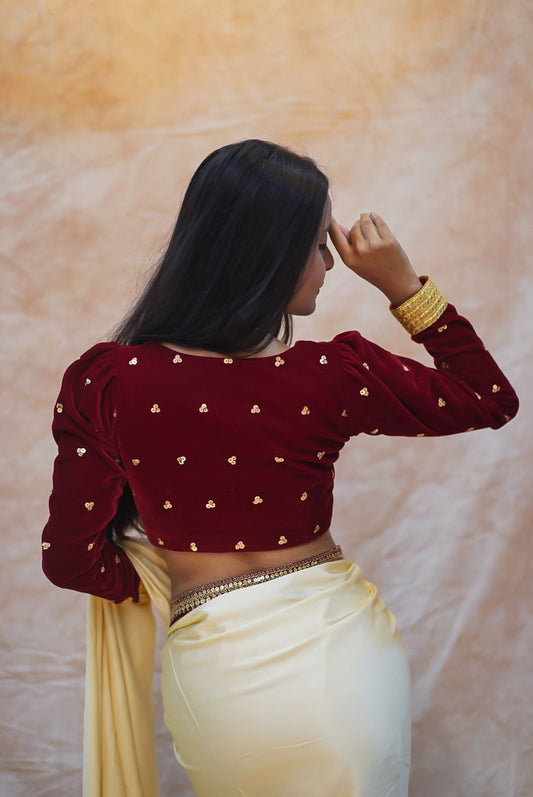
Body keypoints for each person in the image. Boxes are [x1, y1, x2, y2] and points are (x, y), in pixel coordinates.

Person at [42, 139, 518, 797]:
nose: (331, 263)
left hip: (218, 669)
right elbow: (487, 396)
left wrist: (159, 579)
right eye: (319, 244)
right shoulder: (333, 372)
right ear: (271, 252)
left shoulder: (108, 382)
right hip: (346, 653)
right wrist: (402, 287)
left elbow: (70, 559)